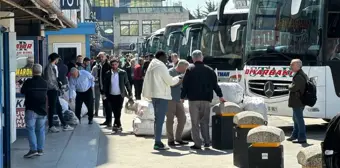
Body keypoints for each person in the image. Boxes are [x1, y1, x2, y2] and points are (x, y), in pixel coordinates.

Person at [180, 50, 224, 150]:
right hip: (206, 100)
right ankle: (207, 142)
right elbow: (215, 85)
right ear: (201, 57)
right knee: (205, 122)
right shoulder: (210, 70)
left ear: (193, 58)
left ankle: (197, 144)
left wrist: (182, 97)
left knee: (195, 123)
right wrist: (220, 96)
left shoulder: (189, 70)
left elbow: (185, 85)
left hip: (193, 100)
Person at [142, 50, 181, 150]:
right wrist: (179, 77)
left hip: (155, 95)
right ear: (161, 57)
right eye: (165, 57)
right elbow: (170, 81)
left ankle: (157, 140)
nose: (166, 59)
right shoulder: (161, 66)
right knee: (159, 120)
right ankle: (158, 142)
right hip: (162, 96)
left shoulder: (152, 64)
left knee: (157, 120)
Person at [21, 64, 48, 158]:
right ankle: (40, 149)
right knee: (40, 130)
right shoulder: (45, 83)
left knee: (31, 129)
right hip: (42, 110)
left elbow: (22, 91)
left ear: (32, 71)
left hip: (31, 109)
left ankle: (33, 149)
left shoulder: (28, 82)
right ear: (41, 72)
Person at [43, 53, 74, 133]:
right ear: (55, 59)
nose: (58, 60)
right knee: (52, 108)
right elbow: (49, 80)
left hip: (54, 89)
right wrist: (56, 87)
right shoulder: (49, 67)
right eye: (57, 59)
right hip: (52, 90)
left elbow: (55, 79)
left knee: (58, 107)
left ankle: (64, 125)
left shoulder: (53, 67)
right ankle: (51, 126)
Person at [103, 59, 132, 131]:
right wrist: (104, 93)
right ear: (111, 65)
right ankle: (118, 125)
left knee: (118, 110)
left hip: (120, 94)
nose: (114, 66)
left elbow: (127, 83)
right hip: (111, 95)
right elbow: (105, 85)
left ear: (118, 64)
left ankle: (116, 125)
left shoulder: (123, 73)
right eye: (112, 65)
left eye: (115, 64)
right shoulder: (108, 73)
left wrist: (130, 93)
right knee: (114, 110)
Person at [166, 59, 190, 146]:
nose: (186, 70)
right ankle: (170, 140)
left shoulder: (183, 74)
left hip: (178, 99)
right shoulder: (170, 72)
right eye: (185, 68)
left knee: (182, 118)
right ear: (181, 67)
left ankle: (178, 138)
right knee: (170, 119)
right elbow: (172, 84)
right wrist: (181, 78)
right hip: (170, 99)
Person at [287, 59, 308, 144]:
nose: (290, 66)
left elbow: (295, 88)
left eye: (292, 65)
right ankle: (294, 135)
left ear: (298, 66)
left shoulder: (299, 76)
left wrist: (289, 86)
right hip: (298, 101)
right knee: (295, 119)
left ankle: (302, 137)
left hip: (298, 101)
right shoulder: (299, 74)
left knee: (299, 119)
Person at [97, 52, 113, 126]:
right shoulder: (100, 65)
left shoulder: (108, 65)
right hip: (102, 88)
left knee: (108, 105)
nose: (101, 58)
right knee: (105, 105)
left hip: (107, 89)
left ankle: (109, 121)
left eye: (102, 57)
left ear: (105, 57)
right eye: (100, 57)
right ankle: (107, 120)